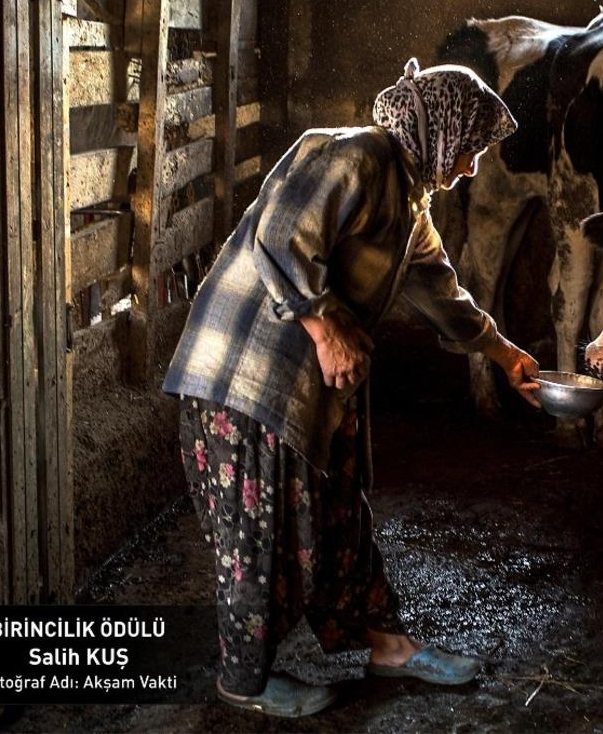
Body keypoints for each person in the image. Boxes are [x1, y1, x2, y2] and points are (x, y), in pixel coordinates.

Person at [162, 57, 541, 718]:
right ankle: (242, 678)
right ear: (444, 134)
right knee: (260, 528)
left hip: (303, 385)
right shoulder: (354, 154)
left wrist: (502, 351)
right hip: (244, 377)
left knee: (339, 505)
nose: (473, 168)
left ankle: (387, 643)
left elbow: (438, 290)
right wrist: (325, 326)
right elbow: (279, 236)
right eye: (472, 150)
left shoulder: (406, 198)